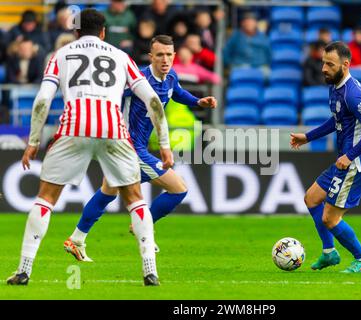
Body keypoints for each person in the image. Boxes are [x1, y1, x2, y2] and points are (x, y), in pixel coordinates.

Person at [6, 9, 171, 287]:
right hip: (113, 129)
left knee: (46, 198)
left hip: (73, 127)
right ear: (104, 32)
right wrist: (164, 145)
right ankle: (149, 270)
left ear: (76, 32)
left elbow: (42, 101)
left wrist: (33, 142)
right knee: (135, 198)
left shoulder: (60, 55)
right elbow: (153, 101)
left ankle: (24, 270)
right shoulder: (121, 56)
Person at [63, 35, 217, 261]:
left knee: (108, 191)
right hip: (129, 147)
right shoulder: (138, 80)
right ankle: (142, 227)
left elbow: (178, 94)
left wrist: (198, 101)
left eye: (168, 55)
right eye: (160, 55)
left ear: (174, 56)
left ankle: (76, 239)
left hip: (130, 148)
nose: (165, 59)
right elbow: (109, 96)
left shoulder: (171, 77)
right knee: (179, 188)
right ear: (151, 57)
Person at [290, 41, 361, 273]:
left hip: (355, 165)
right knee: (311, 199)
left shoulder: (354, 94)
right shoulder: (335, 87)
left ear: (345, 65)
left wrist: (350, 156)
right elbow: (337, 120)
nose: (324, 68)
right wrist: (307, 137)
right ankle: (329, 253)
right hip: (344, 162)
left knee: (330, 218)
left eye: (330, 64)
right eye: (323, 63)